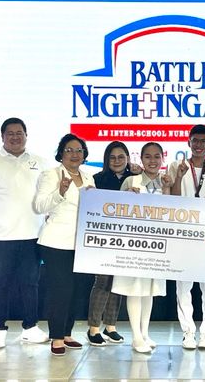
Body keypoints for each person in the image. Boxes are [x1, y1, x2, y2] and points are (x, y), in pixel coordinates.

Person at [0, 117, 49, 349]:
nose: (15, 137)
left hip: (33, 236)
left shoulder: (40, 162)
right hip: (0, 238)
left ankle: (30, 327)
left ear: (26, 135)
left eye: (19, 133)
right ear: (2, 137)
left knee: (30, 284)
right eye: (10, 133)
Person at [33, 133, 95, 356]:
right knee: (60, 290)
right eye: (69, 150)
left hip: (82, 243)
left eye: (79, 150)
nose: (74, 154)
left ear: (84, 154)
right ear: (61, 153)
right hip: (56, 242)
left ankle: (67, 333)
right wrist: (60, 192)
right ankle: (57, 336)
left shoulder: (89, 178)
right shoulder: (50, 175)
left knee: (77, 290)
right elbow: (39, 206)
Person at [112, 142, 173, 353]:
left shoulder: (166, 182)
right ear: (141, 158)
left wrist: (168, 189)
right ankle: (136, 337)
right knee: (135, 289)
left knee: (149, 291)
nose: (152, 161)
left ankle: (145, 333)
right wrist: (127, 197)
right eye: (148, 156)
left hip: (157, 245)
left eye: (157, 156)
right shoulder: (131, 181)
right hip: (134, 244)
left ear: (163, 159)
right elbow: (117, 210)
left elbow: (172, 213)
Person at [168, 125, 205, 349]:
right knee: (184, 286)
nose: (199, 145)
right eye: (195, 140)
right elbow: (172, 199)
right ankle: (188, 332)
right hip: (184, 233)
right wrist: (179, 177)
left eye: (203, 141)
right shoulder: (176, 166)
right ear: (188, 142)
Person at [86, 141, 141, 346]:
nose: (117, 161)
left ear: (128, 158)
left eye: (121, 157)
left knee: (118, 283)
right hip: (103, 238)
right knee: (102, 282)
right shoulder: (97, 179)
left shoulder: (134, 178)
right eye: (112, 157)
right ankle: (93, 328)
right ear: (106, 160)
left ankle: (110, 326)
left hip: (127, 239)